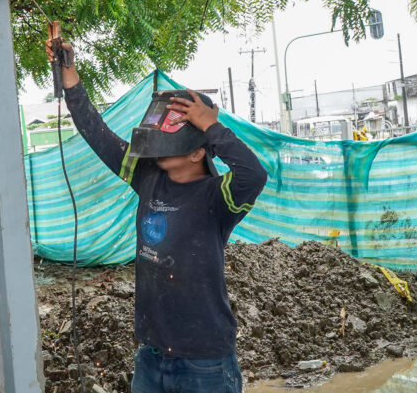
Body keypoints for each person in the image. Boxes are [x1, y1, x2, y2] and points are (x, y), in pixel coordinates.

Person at [47, 39, 268, 393]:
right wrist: (69, 74)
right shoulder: (148, 178)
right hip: (151, 357)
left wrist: (211, 126)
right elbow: (97, 134)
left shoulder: (218, 199)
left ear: (198, 153)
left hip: (205, 361)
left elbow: (254, 175)